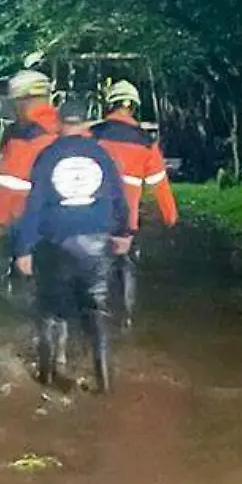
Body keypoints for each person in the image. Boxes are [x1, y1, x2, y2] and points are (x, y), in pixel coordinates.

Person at [12, 99, 132, 392]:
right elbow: (119, 199)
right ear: (86, 123)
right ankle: (104, 385)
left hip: (56, 243)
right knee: (97, 313)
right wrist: (123, 233)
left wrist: (24, 248)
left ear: (60, 123)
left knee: (51, 311)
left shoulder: (47, 156)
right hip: (97, 244)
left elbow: (34, 207)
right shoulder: (102, 155)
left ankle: (47, 377)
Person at [87, 80, 178, 323]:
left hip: (93, 217)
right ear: (134, 108)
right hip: (126, 221)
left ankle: (94, 315)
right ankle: (126, 316)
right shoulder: (146, 143)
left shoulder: (92, 135)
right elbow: (160, 187)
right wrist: (170, 218)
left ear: (110, 105)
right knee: (126, 265)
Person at [0, 69, 62, 249]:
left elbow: (9, 188)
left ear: (22, 101)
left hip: (29, 235)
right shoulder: (69, 130)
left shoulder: (24, 135)